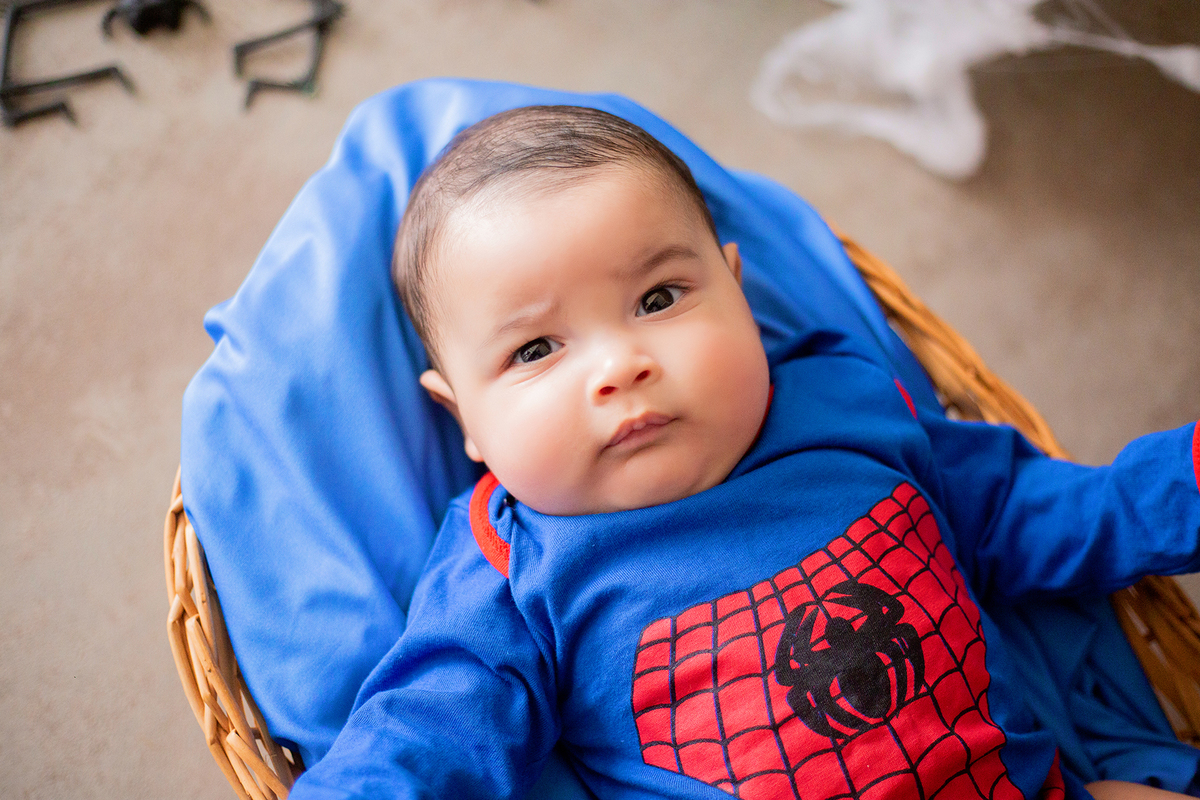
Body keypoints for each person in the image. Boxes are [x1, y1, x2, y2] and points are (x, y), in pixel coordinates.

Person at [288, 106, 1200, 800]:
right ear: (467, 426)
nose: (620, 366)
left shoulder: (843, 408)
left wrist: (1180, 482)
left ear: (736, 284)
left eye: (658, 298)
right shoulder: (509, 569)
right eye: (535, 351)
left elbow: (1032, 511)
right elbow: (423, 732)